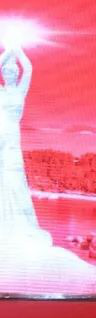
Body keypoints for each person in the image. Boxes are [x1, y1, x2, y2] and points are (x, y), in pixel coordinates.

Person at [0, 42, 50, 248]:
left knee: (12, 177)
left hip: (12, 138)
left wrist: (17, 49)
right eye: (6, 70)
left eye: (13, 70)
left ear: (17, 73)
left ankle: (13, 223)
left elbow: (28, 68)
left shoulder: (20, 91)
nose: (10, 73)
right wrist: (7, 51)